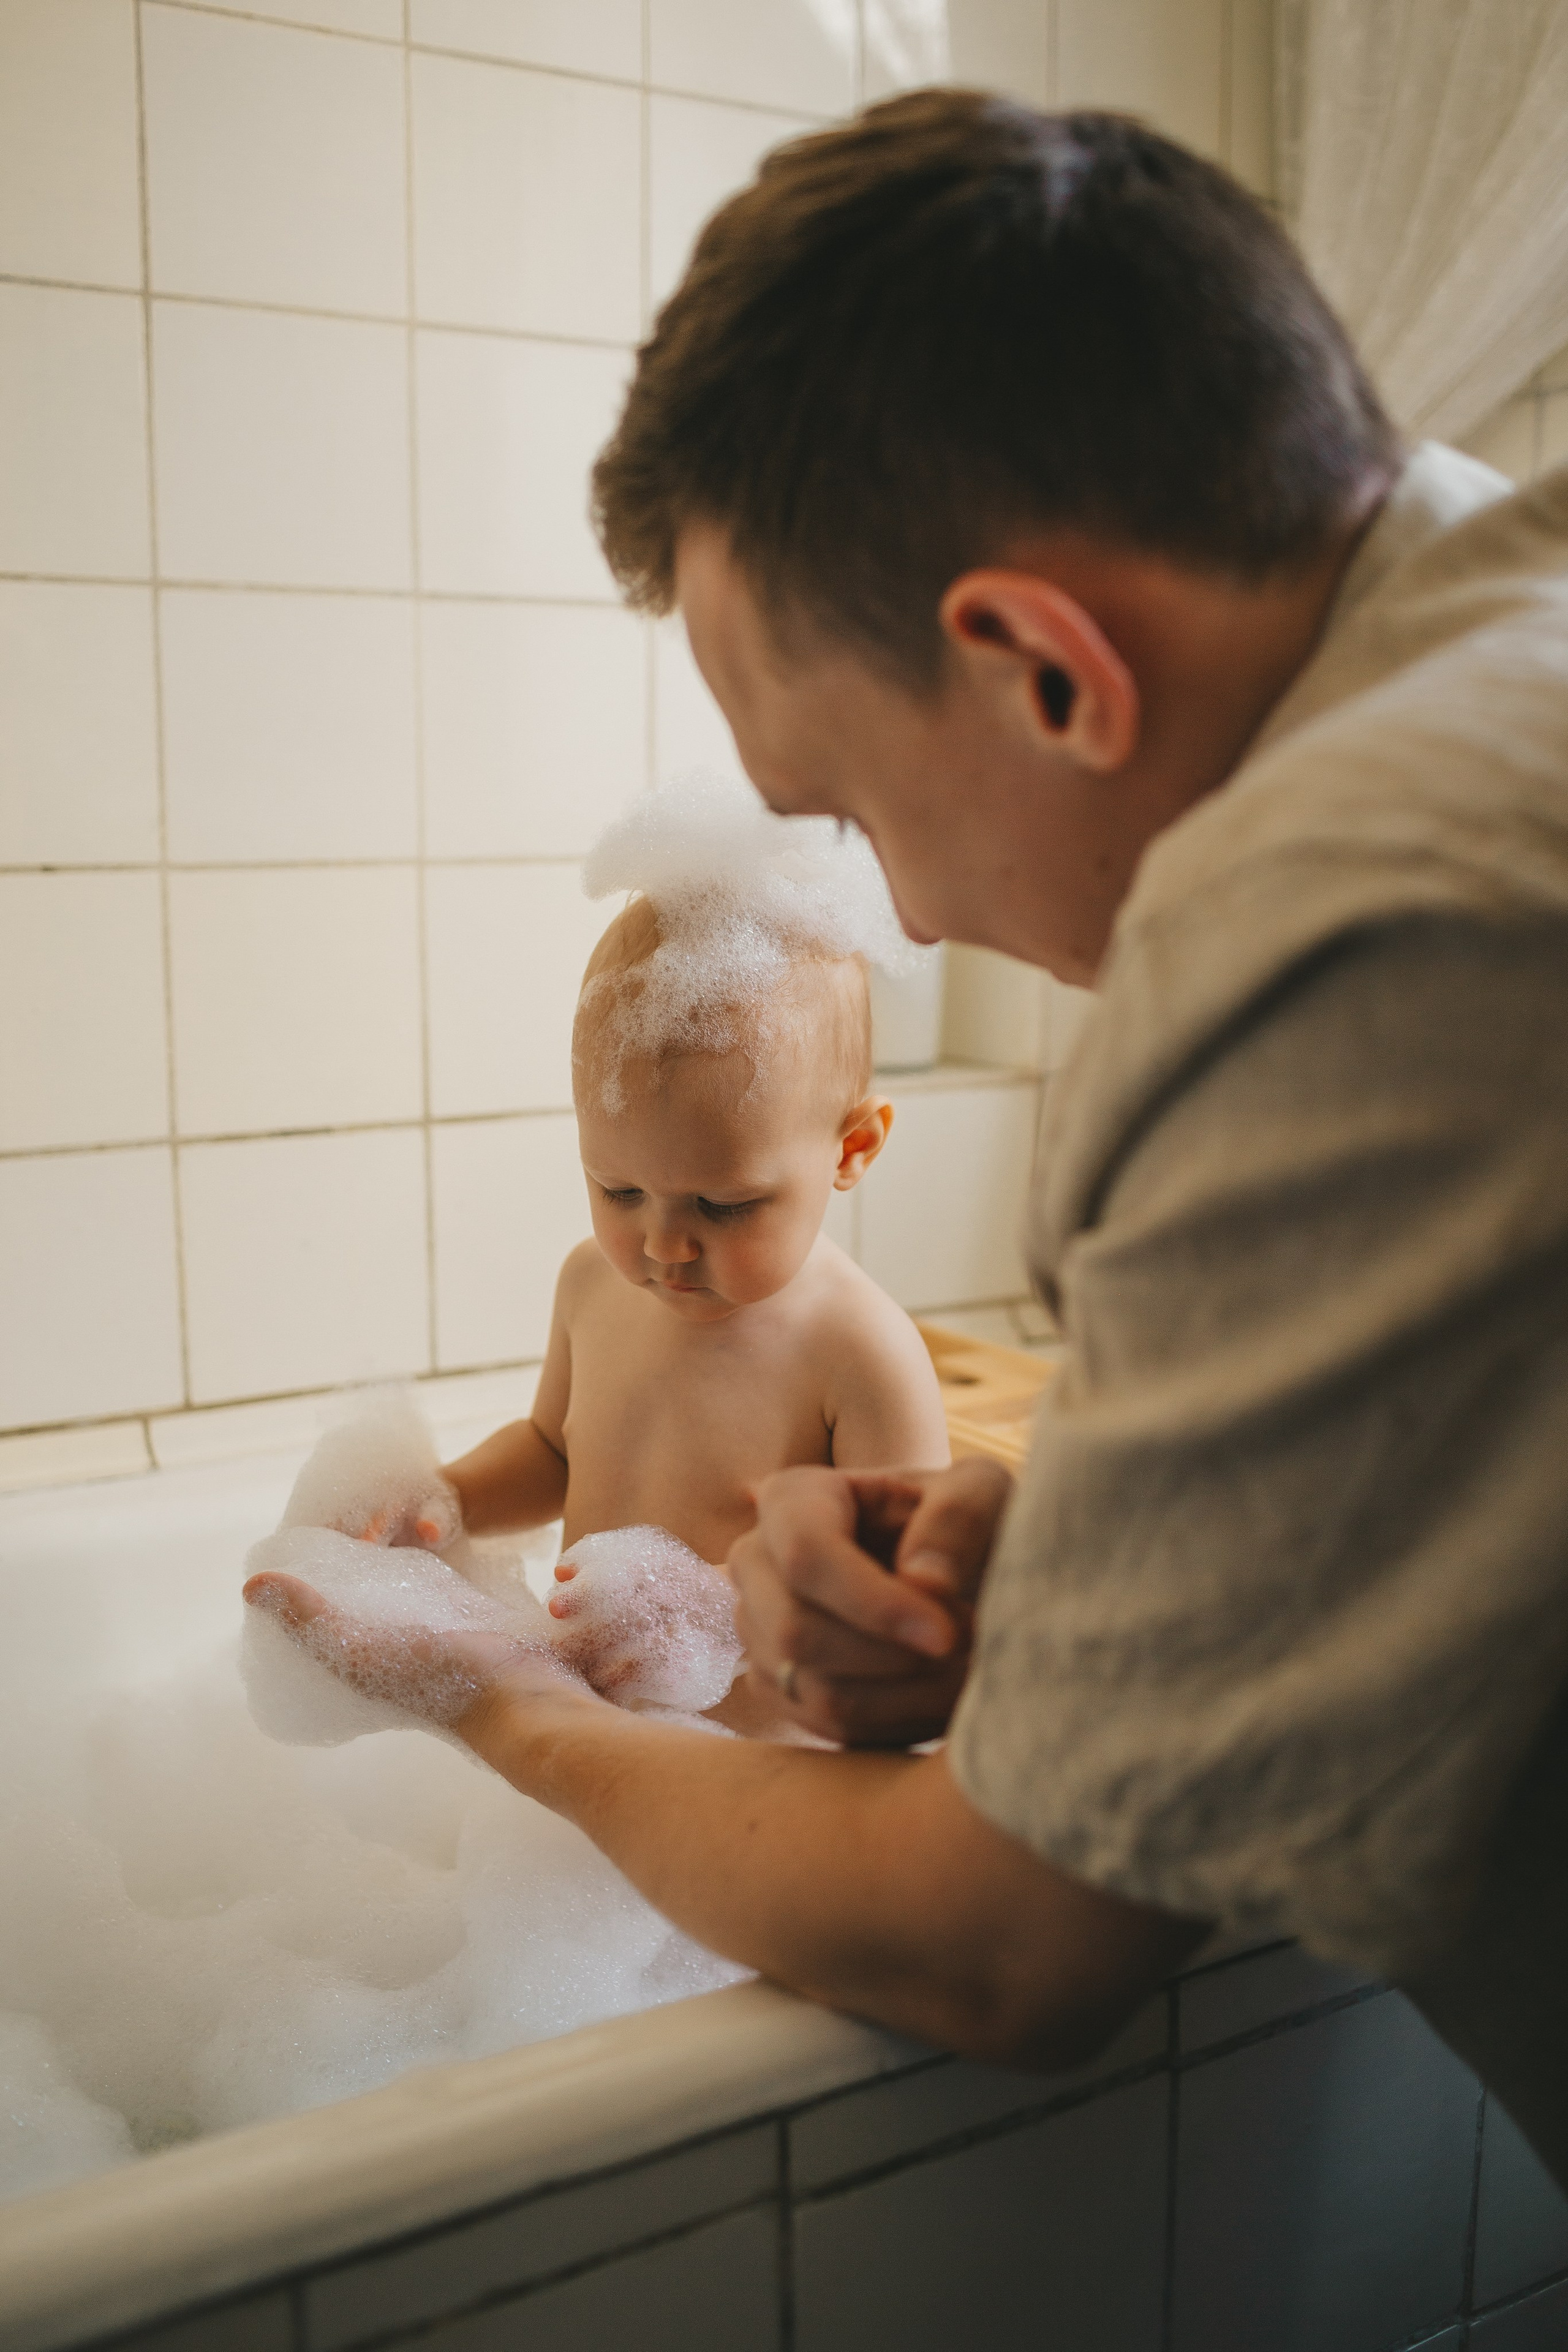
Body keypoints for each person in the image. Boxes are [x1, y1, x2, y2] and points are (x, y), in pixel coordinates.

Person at [247, 94, 1568, 2180]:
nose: (916, 914)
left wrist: (487, 1693)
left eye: (851, 816)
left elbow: (1005, 1951)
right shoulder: (1516, 620)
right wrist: (1080, 1576)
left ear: (1043, 666)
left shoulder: (1339, 942)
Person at [266, 783, 949, 1730]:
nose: (663, 1244)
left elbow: (900, 1602)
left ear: (851, 1150)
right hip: (597, 1759)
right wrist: (450, 1500)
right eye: (619, 1190)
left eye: (722, 1203)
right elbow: (554, 1451)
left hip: (752, 1775)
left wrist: (717, 1610)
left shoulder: (860, 1354)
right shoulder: (593, 1284)